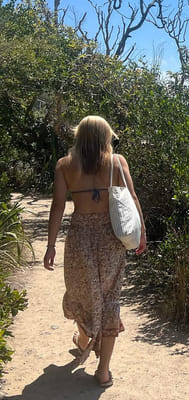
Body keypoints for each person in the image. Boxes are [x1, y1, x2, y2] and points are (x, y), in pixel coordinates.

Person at [43, 115, 146, 387]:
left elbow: (57, 207)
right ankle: (103, 370)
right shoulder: (117, 162)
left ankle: (85, 339)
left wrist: (51, 245)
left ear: (79, 136)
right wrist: (141, 234)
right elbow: (132, 199)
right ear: (105, 136)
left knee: (81, 292)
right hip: (110, 238)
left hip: (80, 237)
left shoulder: (65, 165)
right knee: (109, 298)